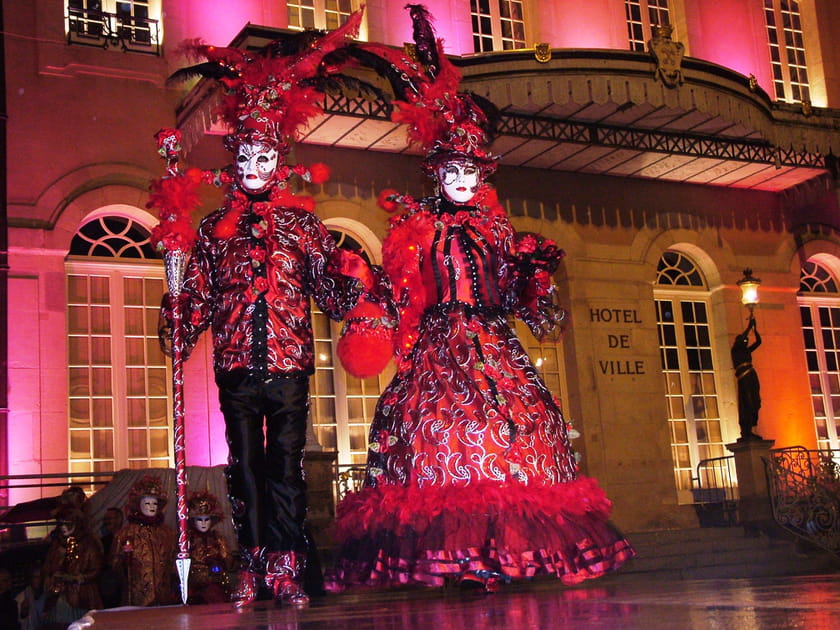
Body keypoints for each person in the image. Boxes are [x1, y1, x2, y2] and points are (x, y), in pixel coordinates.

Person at [328, 5, 634, 592]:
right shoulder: (417, 227)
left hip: (495, 346)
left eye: (472, 172)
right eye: (453, 172)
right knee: (443, 438)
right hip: (441, 348)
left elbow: (523, 300)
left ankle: (508, 553)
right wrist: (369, 292)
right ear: (437, 174)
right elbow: (403, 292)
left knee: (517, 434)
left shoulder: (497, 230)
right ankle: (458, 558)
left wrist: (533, 281)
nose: (464, 182)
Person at [156, 10, 372, 608]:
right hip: (235, 368)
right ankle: (252, 561)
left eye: (264, 161)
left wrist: (357, 285)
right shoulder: (212, 230)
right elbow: (193, 304)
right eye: (245, 160)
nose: (254, 170)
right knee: (244, 467)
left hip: (289, 365)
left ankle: (287, 562)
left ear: (279, 162)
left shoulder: (303, 226)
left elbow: (331, 290)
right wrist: (176, 301)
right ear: (235, 164)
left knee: (287, 468)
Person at [110, 475, 178, 607]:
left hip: (164, 595)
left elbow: (174, 558)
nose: (151, 507)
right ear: (138, 505)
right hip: (137, 595)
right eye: (147, 503)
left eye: (155, 503)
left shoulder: (167, 532)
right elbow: (114, 562)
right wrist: (125, 564)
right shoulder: (126, 533)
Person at [41, 506, 103, 628]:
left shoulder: (88, 543)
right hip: (58, 595)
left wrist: (76, 577)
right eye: (60, 524)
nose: (63, 527)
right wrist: (51, 576)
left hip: (82, 596)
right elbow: (48, 566)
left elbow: (96, 569)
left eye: (67, 524)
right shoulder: (57, 544)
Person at [186, 491, 234, 604]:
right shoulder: (188, 540)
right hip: (194, 588)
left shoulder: (218, 539)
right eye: (199, 519)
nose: (203, 523)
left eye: (206, 519)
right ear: (193, 521)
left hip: (216, 586)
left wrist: (217, 563)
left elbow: (227, 560)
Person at [732, 316, 762, 441]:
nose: (746, 342)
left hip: (751, 376)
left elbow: (759, 342)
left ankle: (751, 429)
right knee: (747, 402)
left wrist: (755, 329)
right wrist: (749, 326)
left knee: (755, 401)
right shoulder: (736, 350)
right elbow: (743, 338)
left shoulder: (746, 350)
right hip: (744, 378)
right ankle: (746, 430)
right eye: (743, 341)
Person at [97, 507, 124, 608]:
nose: (106, 522)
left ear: (119, 520)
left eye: (109, 519)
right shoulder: (102, 541)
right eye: (105, 519)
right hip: (108, 585)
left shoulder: (127, 537)